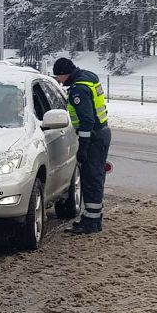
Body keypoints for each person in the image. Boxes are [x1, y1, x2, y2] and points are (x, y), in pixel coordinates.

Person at [52, 57, 111, 234]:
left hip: (93, 137)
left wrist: (83, 146)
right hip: (102, 132)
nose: (58, 81)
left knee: (91, 178)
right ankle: (94, 217)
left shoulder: (79, 90)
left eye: (58, 77)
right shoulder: (89, 77)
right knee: (96, 177)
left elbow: (86, 121)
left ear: (65, 74)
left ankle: (91, 222)